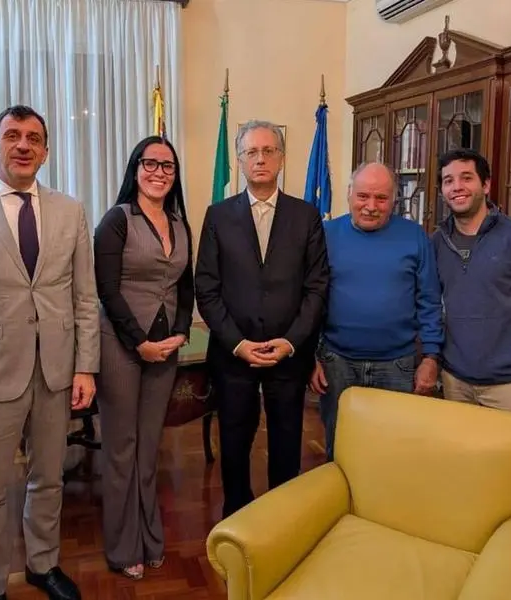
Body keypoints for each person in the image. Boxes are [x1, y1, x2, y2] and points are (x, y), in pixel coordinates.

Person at [0, 104, 99, 600]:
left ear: (46, 152)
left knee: (48, 478)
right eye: (12, 135)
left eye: (33, 138)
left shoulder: (71, 210)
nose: (23, 145)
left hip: (55, 373)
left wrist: (85, 366)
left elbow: (85, 297)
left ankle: (42, 565)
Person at [194, 120, 329, 519]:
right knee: (234, 441)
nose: (260, 159)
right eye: (251, 152)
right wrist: (238, 343)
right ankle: (237, 515)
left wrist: (292, 342)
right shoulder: (218, 216)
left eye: (269, 151)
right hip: (235, 354)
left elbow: (317, 287)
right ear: (238, 161)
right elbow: (207, 286)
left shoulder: (306, 216)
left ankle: (281, 520)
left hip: (288, 355)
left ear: (282, 158)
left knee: (288, 442)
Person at [92, 135, 194, 580]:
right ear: (135, 168)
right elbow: (107, 290)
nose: (158, 172)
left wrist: (182, 331)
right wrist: (139, 342)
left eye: (167, 166)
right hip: (120, 346)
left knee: (149, 449)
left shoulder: (180, 221)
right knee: (121, 448)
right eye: (150, 163)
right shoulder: (116, 221)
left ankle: (152, 536)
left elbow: (185, 285)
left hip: (165, 347)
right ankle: (122, 546)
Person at [309, 162, 443, 462]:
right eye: (363, 196)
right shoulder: (325, 235)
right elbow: (311, 300)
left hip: (398, 366)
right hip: (337, 364)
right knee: (340, 449)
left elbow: (430, 301)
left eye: (381, 198)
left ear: (394, 200)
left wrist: (431, 358)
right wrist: (310, 357)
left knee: (394, 453)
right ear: (349, 194)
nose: (371, 206)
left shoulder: (415, 237)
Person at [432, 148, 511, 417]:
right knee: (460, 458)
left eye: (466, 178)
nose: (457, 187)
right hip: (455, 381)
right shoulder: (436, 242)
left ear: (486, 184)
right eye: (448, 180)